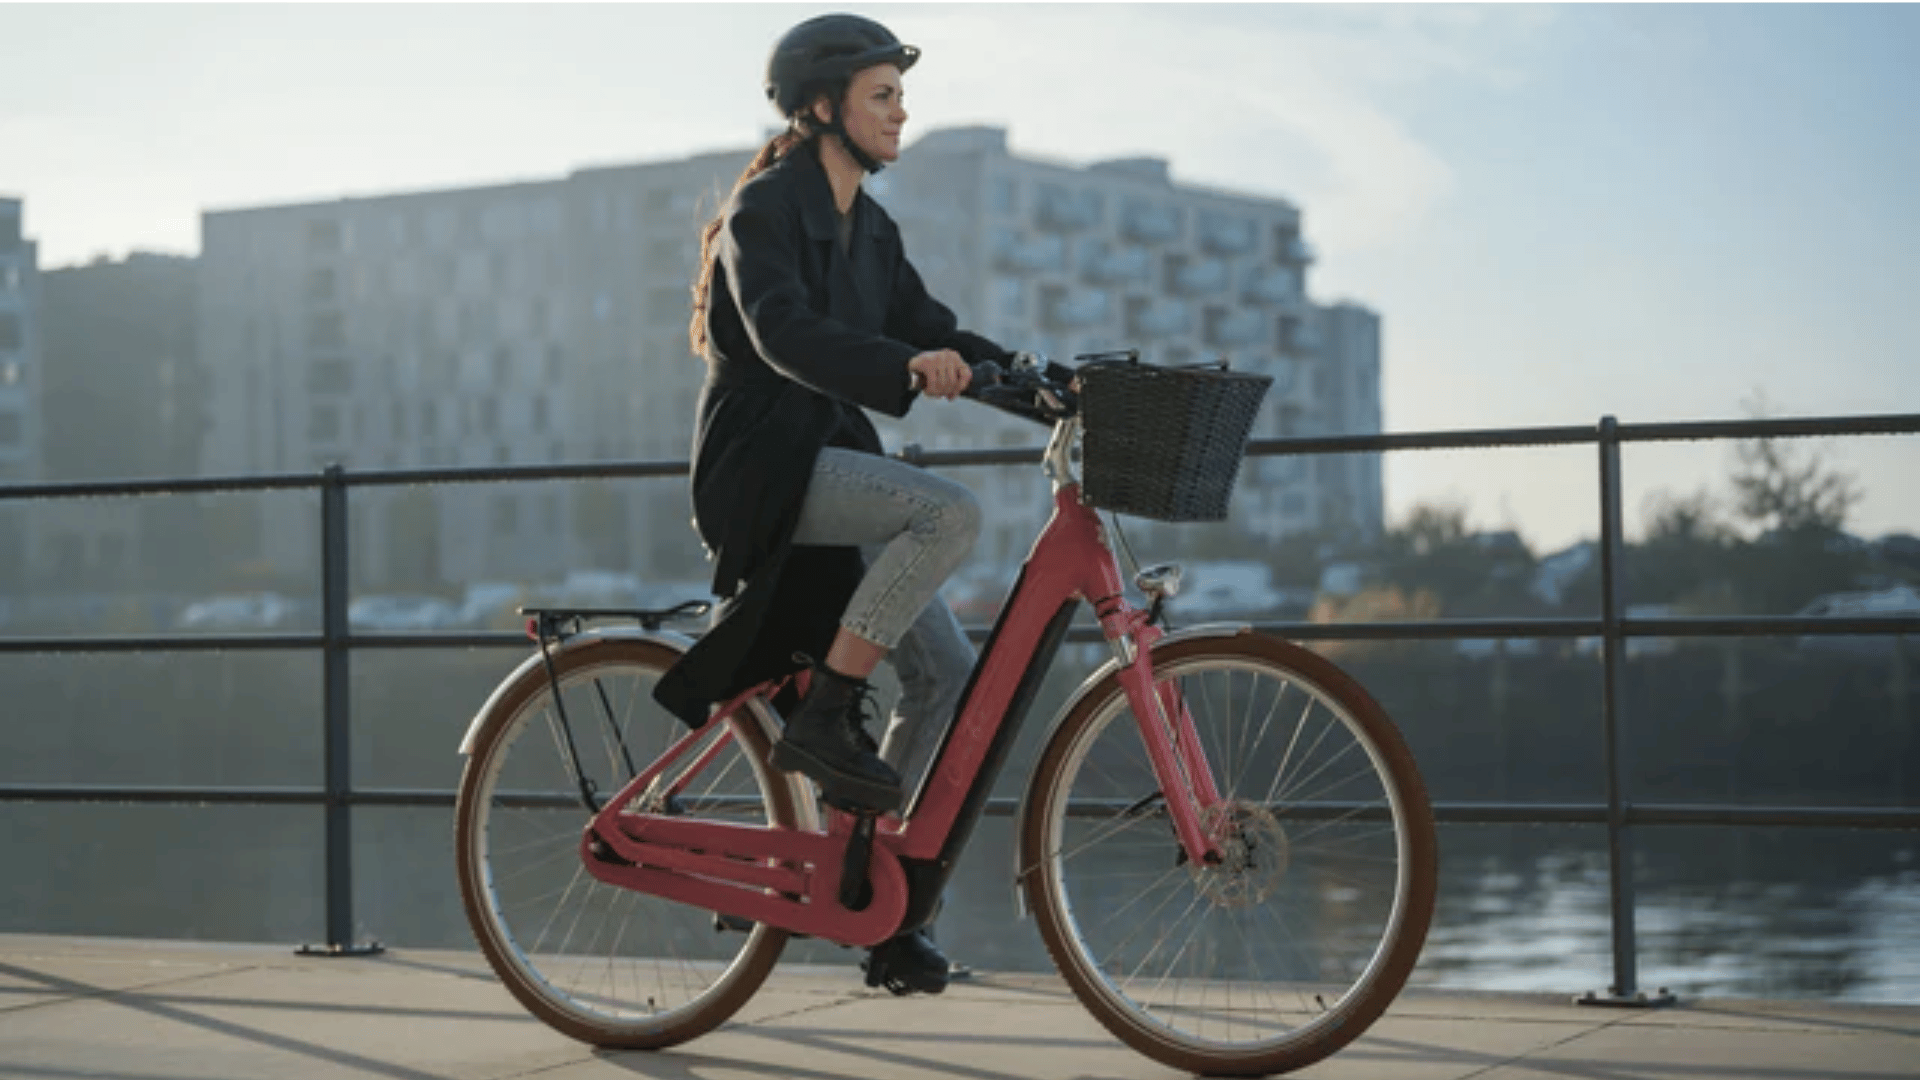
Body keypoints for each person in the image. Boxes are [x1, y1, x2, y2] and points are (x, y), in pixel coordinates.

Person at [652, 12, 1011, 995]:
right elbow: (783, 334)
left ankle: (875, 904)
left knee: (947, 677)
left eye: (901, 94)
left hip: (833, 467)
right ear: (822, 107)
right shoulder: (765, 211)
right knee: (947, 514)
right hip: (764, 475)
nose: (902, 112)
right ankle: (832, 713)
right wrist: (907, 367)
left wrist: (1034, 376)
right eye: (882, 95)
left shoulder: (871, 229)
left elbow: (933, 329)